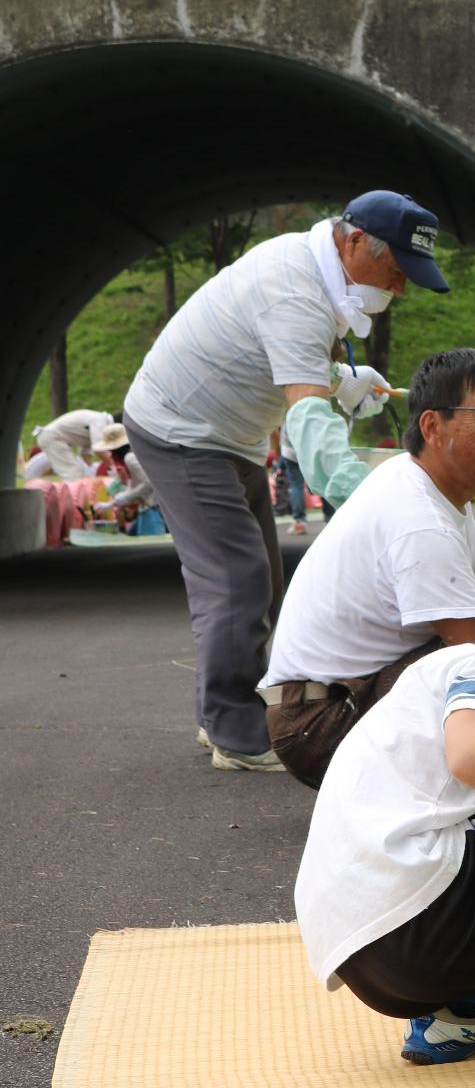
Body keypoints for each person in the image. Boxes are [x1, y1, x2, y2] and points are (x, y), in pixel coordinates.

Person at [121, 190, 449, 770]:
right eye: (396, 272)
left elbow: (292, 368)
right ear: (352, 242)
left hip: (231, 433)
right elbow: (306, 419)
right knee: (234, 578)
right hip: (181, 431)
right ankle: (235, 733)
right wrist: (370, 495)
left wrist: (342, 381)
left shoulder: (317, 272)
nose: (398, 290)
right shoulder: (295, 291)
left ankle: (220, 712)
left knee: (264, 579)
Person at [295, 578, 475, 1064]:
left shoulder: (430, 678)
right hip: (426, 926)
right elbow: (474, 754)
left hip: (366, 957)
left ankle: (462, 1014)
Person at [258, 349, 475, 789]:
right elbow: (474, 651)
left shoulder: (423, 480)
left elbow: (473, 592)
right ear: (433, 427)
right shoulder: (420, 518)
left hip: (335, 698)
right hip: (318, 723)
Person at [28, 408, 114, 482]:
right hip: (51, 438)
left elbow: (86, 454)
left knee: (77, 472)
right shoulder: (100, 421)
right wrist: (115, 467)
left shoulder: (97, 424)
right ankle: (70, 500)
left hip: (52, 438)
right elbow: (99, 450)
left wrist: (90, 471)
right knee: (73, 472)